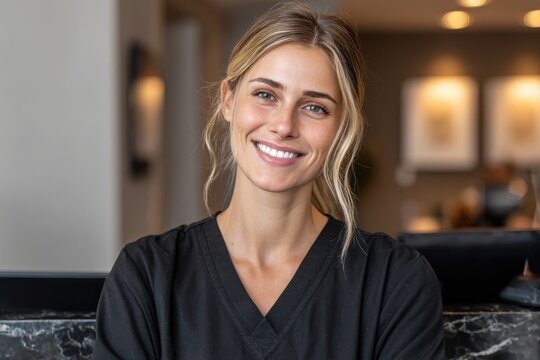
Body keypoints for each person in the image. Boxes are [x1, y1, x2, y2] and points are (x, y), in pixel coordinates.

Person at [92, 3, 444, 359]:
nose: (284, 125)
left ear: (341, 130)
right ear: (228, 100)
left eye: (314, 107)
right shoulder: (147, 276)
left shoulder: (394, 281)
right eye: (265, 95)